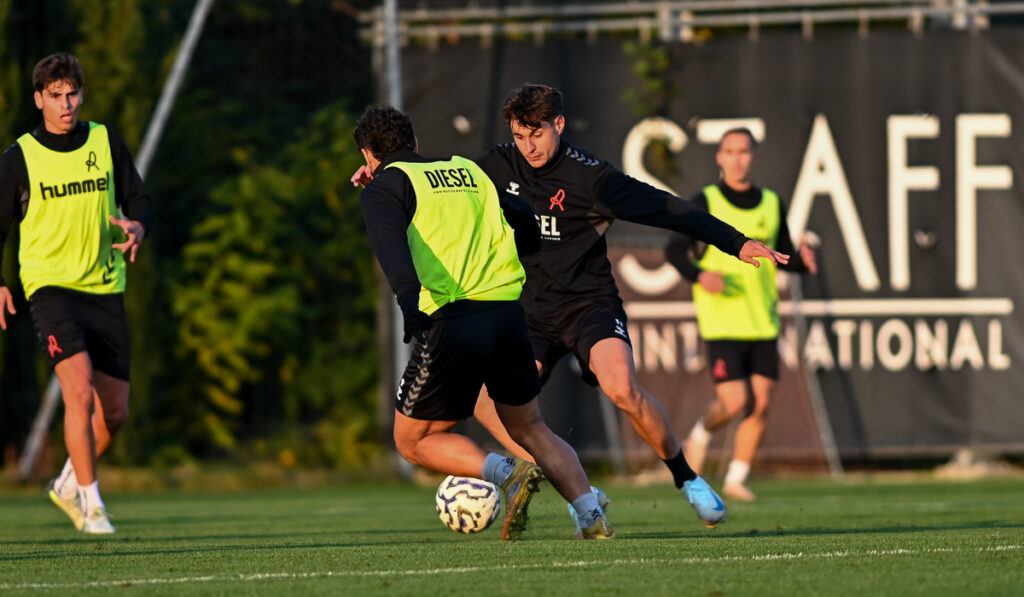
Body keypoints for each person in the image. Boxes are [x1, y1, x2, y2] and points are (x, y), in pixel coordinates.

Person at [468, 84, 789, 529]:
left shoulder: (592, 178)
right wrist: (387, 175)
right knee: (487, 402)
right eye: (520, 136)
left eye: (537, 134)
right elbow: (439, 182)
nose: (529, 147)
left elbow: (669, 209)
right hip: (529, 312)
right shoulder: (496, 164)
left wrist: (736, 243)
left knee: (621, 387)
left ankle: (687, 478)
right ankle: (573, 482)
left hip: (588, 304)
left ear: (558, 124)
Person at [353, 104, 614, 540]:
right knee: (529, 425)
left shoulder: (385, 187)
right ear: (415, 142)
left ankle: (508, 473)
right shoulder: (466, 171)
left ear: (367, 155)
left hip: (453, 319)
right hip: (509, 316)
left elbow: (391, 248)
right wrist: (528, 250)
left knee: (412, 441)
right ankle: (592, 516)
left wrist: (407, 301)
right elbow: (521, 214)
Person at [0, 53, 152, 534]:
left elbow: (139, 199)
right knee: (79, 389)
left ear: (81, 95)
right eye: (56, 96)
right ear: (39, 99)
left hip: (105, 286)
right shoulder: (19, 157)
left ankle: (67, 480)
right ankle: (92, 505)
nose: (66, 105)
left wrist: (138, 227)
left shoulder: (106, 142)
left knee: (116, 412)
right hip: (49, 287)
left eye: (73, 94)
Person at [666, 127, 817, 502]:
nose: (737, 158)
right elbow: (673, 250)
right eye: (730, 151)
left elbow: (781, 255)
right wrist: (701, 275)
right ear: (719, 157)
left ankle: (737, 476)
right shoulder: (707, 200)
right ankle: (701, 432)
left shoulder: (771, 202)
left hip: (762, 318)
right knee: (735, 401)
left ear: (755, 156)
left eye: (744, 151)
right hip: (722, 320)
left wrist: (802, 262)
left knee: (761, 402)